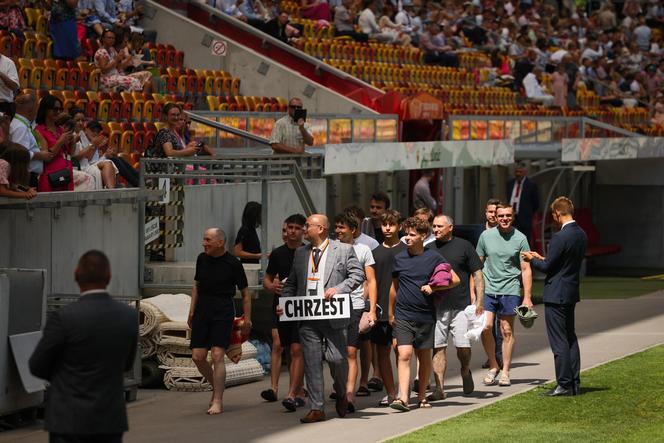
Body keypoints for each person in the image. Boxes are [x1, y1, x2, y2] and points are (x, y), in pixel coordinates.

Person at [29, 250, 138, 443]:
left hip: (68, 419)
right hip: (109, 419)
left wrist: (65, 378)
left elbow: (37, 365)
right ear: (109, 277)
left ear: (76, 275)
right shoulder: (128, 316)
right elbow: (127, 364)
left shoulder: (63, 317)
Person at [278, 214, 364, 423]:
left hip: (333, 313)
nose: (304, 229)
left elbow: (357, 275)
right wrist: (285, 304)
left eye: (308, 226)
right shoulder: (300, 253)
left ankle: (342, 393)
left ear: (322, 229)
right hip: (307, 315)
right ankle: (317, 407)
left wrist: (339, 288)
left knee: (337, 358)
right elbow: (291, 284)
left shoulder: (342, 249)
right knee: (312, 361)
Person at [388, 217, 459, 412]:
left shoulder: (434, 257)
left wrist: (433, 287)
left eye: (412, 235)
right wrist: (390, 312)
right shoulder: (399, 258)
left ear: (423, 236)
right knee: (404, 353)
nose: (407, 238)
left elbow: (454, 280)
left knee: (424, 355)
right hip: (403, 314)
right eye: (406, 234)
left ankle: (421, 397)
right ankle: (403, 398)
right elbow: (394, 288)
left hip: (426, 315)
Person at [522, 197, 587, 396]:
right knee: (570, 338)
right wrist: (543, 258)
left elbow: (548, 267)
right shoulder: (581, 234)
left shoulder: (560, 237)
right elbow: (561, 262)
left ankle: (564, 384)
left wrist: (532, 259)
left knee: (559, 342)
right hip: (570, 291)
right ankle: (574, 381)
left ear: (557, 213)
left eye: (553, 215)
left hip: (556, 293)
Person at [188, 228, 252, 415]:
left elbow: (246, 294)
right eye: (204, 239)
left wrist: (247, 319)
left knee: (217, 354)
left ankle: (217, 400)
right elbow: (196, 286)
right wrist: (191, 311)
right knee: (198, 356)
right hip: (202, 309)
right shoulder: (202, 259)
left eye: (208, 240)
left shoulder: (233, 263)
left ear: (220, 242)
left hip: (223, 309)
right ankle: (217, 386)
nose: (204, 243)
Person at [427, 214, 484, 400]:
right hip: (437, 307)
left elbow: (477, 274)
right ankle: (440, 389)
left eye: (439, 227)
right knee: (438, 348)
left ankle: (465, 370)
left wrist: (480, 301)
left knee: (463, 348)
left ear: (450, 227)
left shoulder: (464, 246)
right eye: (433, 226)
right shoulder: (428, 248)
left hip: (461, 306)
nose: (435, 230)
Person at [476, 203, 533, 388]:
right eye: (501, 216)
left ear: (513, 216)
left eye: (508, 215)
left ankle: (506, 371)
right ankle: (493, 365)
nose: (504, 219)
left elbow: (525, 269)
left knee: (506, 330)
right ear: (495, 217)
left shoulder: (521, 238)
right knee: (486, 327)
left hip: (510, 289)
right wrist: (475, 292)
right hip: (489, 289)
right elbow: (477, 266)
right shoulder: (485, 236)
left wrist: (527, 297)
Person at [261, 214, 307, 411]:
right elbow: (267, 279)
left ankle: (293, 393)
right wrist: (273, 287)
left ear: (304, 230)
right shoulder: (278, 254)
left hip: (304, 306)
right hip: (282, 307)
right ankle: (282, 388)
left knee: (298, 349)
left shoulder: (308, 252)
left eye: (297, 228)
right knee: (283, 345)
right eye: (290, 228)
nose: (292, 231)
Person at [334, 212, 377, 412]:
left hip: (356, 306)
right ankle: (340, 387)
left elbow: (371, 280)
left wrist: (371, 309)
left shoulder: (364, 250)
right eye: (337, 227)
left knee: (351, 351)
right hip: (332, 308)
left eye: (342, 227)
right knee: (334, 354)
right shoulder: (330, 249)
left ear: (353, 230)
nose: (338, 231)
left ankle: (350, 394)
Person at [370, 209, 405, 406]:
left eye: (392, 224)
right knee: (382, 353)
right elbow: (370, 282)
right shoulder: (375, 253)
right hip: (380, 309)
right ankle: (391, 392)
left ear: (399, 226)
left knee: (401, 350)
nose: (388, 228)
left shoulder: (406, 250)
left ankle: (403, 391)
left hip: (403, 309)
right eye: (385, 225)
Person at [10, 93, 53, 188]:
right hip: (25, 177)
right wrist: (40, 155)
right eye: (36, 107)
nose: (37, 111)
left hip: (28, 176)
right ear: (31, 109)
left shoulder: (23, 125)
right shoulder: (20, 127)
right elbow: (20, 153)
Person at [35, 94, 75, 192]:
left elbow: (70, 154)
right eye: (54, 109)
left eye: (60, 109)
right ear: (45, 110)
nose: (58, 112)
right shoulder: (38, 131)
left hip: (66, 175)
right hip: (51, 177)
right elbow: (46, 157)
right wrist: (60, 141)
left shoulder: (60, 129)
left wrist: (72, 142)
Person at [72, 112, 118, 189]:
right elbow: (75, 158)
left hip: (87, 164)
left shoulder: (82, 135)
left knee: (110, 163)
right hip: (78, 166)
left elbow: (88, 158)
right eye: (77, 120)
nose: (80, 123)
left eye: (82, 120)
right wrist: (93, 144)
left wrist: (95, 145)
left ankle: (111, 190)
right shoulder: (71, 135)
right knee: (109, 163)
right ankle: (111, 190)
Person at [507, 162, 539, 245]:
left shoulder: (531, 185)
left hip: (524, 218)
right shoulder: (510, 184)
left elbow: (535, 203)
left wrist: (530, 214)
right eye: (516, 172)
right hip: (511, 217)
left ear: (525, 172)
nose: (518, 174)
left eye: (520, 172)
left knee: (524, 240)